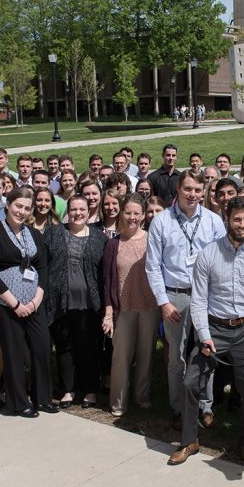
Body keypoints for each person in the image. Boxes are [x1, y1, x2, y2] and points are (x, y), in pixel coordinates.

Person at [168, 197, 244, 465]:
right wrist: (203, 335)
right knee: (190, 381)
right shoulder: (208, 254)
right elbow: (199, 299)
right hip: (213, 329)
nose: (241, 224)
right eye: (237, 219)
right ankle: (189, 440)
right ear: (227, 219)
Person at [146, 170, 226, 429]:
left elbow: (221, 262)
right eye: (188, 189)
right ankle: (179, 408)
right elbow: (153, 266)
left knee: (207, 351)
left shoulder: (213, 221)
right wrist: (163, 302)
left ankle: (205, 405)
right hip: (174, 296)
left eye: (197, 190)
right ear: (178, 189)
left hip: (205, 297)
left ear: (204, 192)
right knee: (176, 358)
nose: (193, 195)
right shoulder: (162, 222)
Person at [0, 188, 59, 417]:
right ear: (8, 205)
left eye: (27, 208)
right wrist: (14, 303)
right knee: (13, 352)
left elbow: (43, 267)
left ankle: (42, 398)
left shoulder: (33, 234)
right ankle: (16, 402)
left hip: (34, 304)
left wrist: (37, 299)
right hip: (6, 305)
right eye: (18, 206)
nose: (22, 211)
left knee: (42, 347)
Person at [102, 194, 159, 417]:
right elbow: (107, 281)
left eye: (137, 213)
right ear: (121, 214)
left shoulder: (153, 240)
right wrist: (108, 312)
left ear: (144, 215)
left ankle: (142, 396)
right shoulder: (113, 244)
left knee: (146, 355)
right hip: (123, 308)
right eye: (128, 212)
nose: (132, 217)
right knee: (121, 357)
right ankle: (118, 402)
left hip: (150, 306)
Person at [52, 195, 107, 408]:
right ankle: (67, 389)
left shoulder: (98, 236)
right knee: (65, 347)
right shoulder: (55, 234)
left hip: (89, 302)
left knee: (87, 347)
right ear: (68, 211)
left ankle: (90, 389)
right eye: (73, 209)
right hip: (61, 301)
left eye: (82, 209)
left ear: (88, 210)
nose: (77, 213)